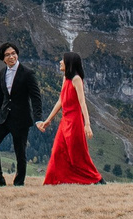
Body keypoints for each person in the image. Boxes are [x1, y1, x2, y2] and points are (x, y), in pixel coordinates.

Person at [38, 51, 103, 185]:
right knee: (58, 151)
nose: (60, 62)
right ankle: (54, 180)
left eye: (63, 60)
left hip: (74, 122)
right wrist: (48, 120)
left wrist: (87, 124)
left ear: (69, 63)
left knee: (77, 154)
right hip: (65, 121)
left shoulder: (76, 79)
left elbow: (82, 102)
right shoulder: (65, 78)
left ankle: (96, 179)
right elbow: (60, 100)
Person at [0, 42, 42, 187]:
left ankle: (19, 183)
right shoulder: (2, 72)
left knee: (20, 152)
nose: (11, 57)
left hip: (21, 119)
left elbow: (36, 97)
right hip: (4, 117)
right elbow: (0, 95)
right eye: (7, 55)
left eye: (13, 53)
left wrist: (38, 118)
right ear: (3, 58)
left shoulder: (27, 73)